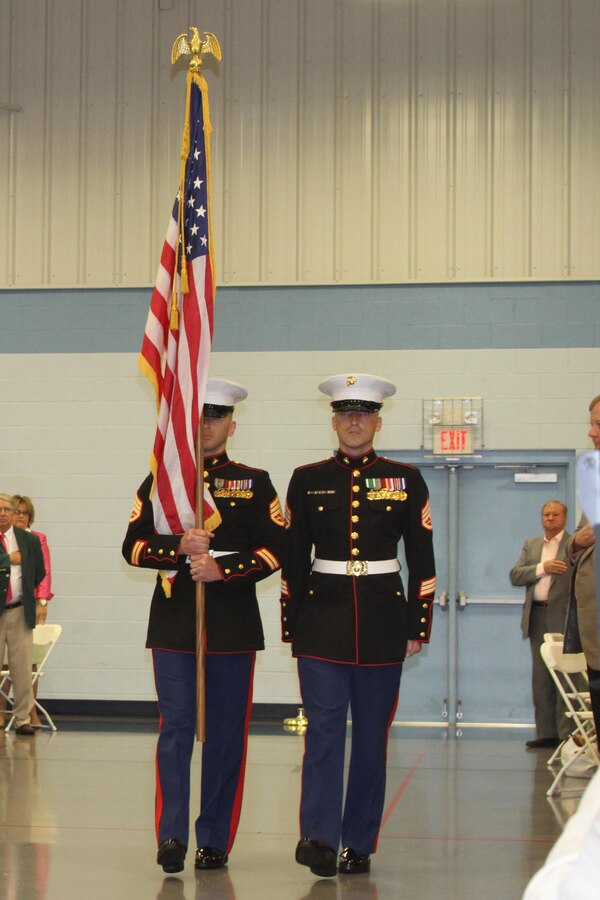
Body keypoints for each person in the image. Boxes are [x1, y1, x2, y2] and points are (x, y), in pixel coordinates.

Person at [122, 379, 286, 875]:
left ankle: (214, 839)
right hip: (174, 624)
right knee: (175, 730)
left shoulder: (255, 482)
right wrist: (177, 548)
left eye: (216, 417)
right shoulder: (161, 482)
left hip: (232, 625)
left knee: (225, 736)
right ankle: (171, 835)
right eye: (198, 416)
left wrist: (223, 569)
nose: (206, 425)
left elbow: (277, 549)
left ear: (232, 425)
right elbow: (132, 546)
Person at [280, 373, 436, 878]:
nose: (354, 422)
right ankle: (319, 838)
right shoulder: (307, 478)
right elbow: (293, 555)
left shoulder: (404, 478)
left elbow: (422, 556)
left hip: (383, 620)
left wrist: (418, 624)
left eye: (363, 414)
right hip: (321, 619)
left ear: (377, 422)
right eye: (345, 413)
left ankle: (359, 842)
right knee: (323, 733)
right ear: (333, 421)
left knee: (371, 739)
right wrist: (292, 623)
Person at [509, 501, 571, 750]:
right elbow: (516, 575)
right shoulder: (532, 544)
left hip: (564, 617)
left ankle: (568, 735)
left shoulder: (574, 544)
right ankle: (546, 733)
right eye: (546, 514)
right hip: (536, 615)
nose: (550, 518)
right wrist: (542, 568)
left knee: (566, 676)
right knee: (541, 677)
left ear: (565, 518)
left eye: (555, 514)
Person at [564, 393, 600, 743]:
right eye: (591, 424)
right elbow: (573, 542)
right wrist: (579, 540)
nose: (591, 433)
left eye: (598, 424)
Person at [0, 495, 54, 729]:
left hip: (20, 610)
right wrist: (8, 560)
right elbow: (10, 561)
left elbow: (40, 572)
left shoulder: (29, 540)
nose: (3, 513)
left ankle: (22, 719)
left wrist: (38, 600)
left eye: (7, 509)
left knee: (22, 668)